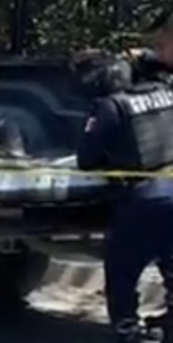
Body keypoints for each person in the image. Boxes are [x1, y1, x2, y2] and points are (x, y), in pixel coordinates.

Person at [74, 52, 173, 343]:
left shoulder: (112, 105)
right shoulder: (169, 96)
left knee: (122, 268)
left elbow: (86, 159)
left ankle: (127, 328)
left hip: (144, 199)